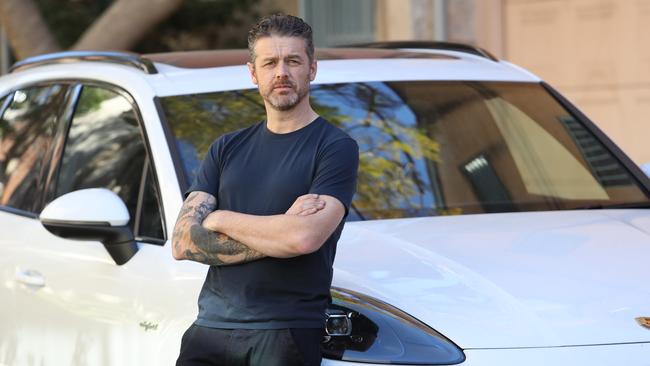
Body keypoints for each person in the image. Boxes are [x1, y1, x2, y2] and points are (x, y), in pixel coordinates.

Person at [171, 13, 359, 366]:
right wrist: (280, 231)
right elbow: (182, 243)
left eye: (293, 61)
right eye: (270, 62)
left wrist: (219, 218)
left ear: (312, 68)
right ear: (253, 72)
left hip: (285, 333)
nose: (281, 73)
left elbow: (303, 239)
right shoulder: (226, 148)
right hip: (210, 327)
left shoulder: (335, 147)